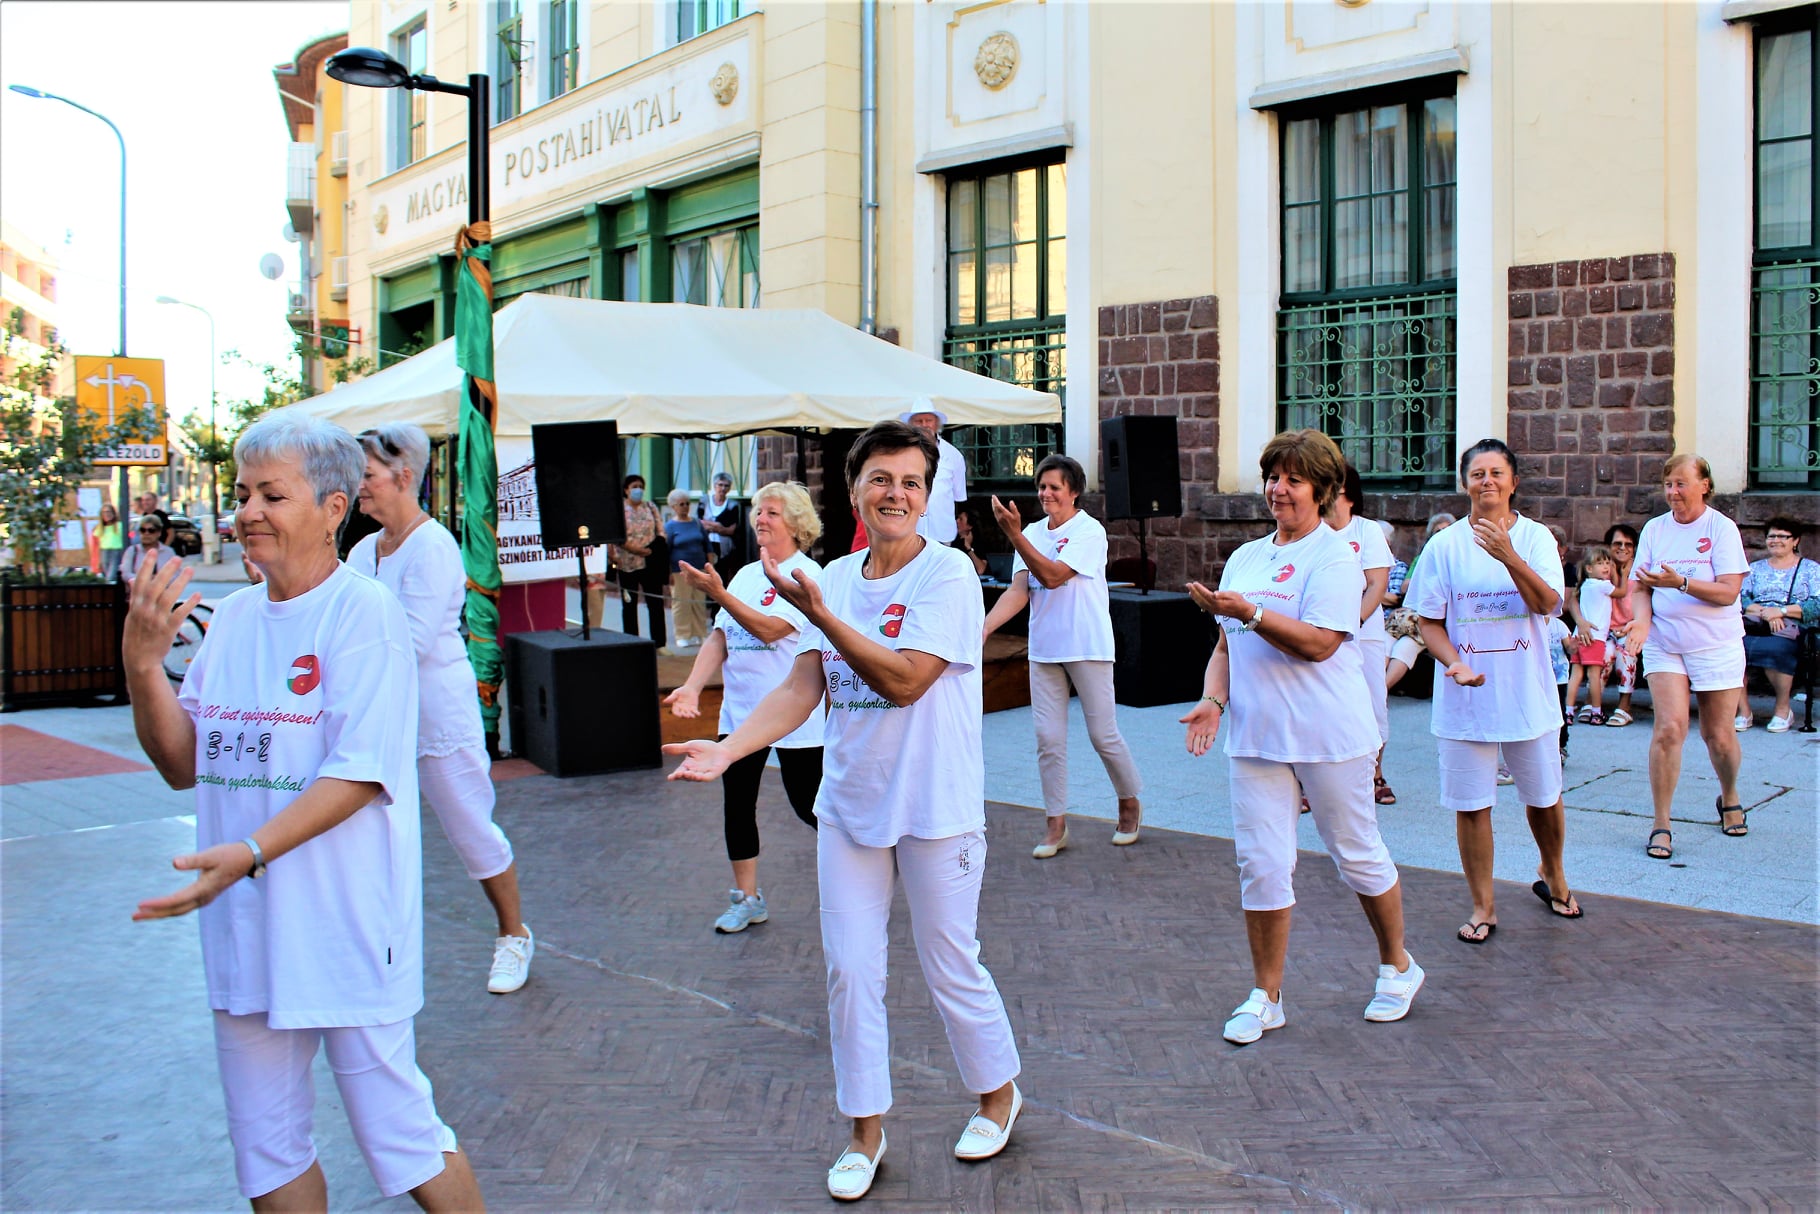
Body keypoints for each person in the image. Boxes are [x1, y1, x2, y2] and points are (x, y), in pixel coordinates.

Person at [120, 408, 483, 1210]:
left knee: (402, 1138)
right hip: (244, 929)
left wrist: (249, 850)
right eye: (242, 493)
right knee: (266, 1151)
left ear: (331, 508)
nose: (248, 512)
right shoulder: (235, 621)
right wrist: (144, 668)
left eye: (272, 495)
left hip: (342, 925)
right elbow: (181, 764)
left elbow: (358, 774)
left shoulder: (365, 615)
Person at [666, 421, 1021, 1202]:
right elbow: (803, 685)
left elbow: (906, 680)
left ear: (926, 496)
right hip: (851, 809)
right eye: (882, 479)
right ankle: (865, 1131)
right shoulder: (833, 575)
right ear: (855, 489)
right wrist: (730, 748)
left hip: (936, 808)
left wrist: (826, 619)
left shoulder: (948, 575)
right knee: (850, 972)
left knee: (949, 963)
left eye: (912, 482)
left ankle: (997, 1095)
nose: (897, 494)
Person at [1180, 429, 1421, 1045]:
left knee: (1355, 854)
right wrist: (1212, 701)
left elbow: (1320, 644)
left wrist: (1250, 613)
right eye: (1273, 477)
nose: (1278, 489)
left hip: (1330, 736)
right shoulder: (1245, 558)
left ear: (1323, 489)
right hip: (1257, 738)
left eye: (1293, 479)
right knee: (1261, 865)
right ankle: (1267, 996)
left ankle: (1397, 966)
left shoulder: (1335, 556)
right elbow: (1224, 648)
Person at [352, 422, 535, 995]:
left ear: (403, 476)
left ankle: (514, 935)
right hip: (376, 714)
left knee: (470, 827)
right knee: (367, 833)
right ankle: (373, 946)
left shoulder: (433, 546)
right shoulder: (361, 550)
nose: (358, 486)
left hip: (435, 713)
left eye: (367, 475)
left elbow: (409, 642)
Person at [1408, 437, 1582, 938]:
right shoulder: (1444, 546)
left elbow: (1547, 604)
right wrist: (1454, 663)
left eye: (1496, 473)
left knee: (1544, 796)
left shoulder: (1535, 538)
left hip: (1527, 691)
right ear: (1465, 483)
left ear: (1513, 482)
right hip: (1466, 697)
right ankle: (1483, 905)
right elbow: (1429, 620)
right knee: (1471, 804)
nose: (1487, 481)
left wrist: (1508, 555)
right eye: (1478, 473)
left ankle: (1553, 874)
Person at [666, 481, 826, 933]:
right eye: (759, 511)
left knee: (809, 806)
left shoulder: (807, 574)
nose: (761, 519)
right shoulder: (745, 574)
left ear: (795, 522)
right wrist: (692, 687)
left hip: (792, 717)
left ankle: (869, 862)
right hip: (739, 715)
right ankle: (747, 899)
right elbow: (720, 637)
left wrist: (720, 595)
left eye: (772, 512)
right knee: (737, 805)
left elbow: (770, 630)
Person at [983, 454, 1143, 856]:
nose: (1046, 493)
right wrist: (984, 628)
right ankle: (1055, 824)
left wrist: (1014, 536)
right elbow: (1019, 590)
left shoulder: (1089, 531)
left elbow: (1053, 577)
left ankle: (1129, 801)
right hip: (1044, 649)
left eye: (1055, 487)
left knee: (1103, 735)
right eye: (1041, 486)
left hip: (1086, 645)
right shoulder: (1031, 532)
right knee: (1047, 739)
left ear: (1074, 492)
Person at [1628, 454, 1750, 856]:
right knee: (1669, 728)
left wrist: (1681, 582)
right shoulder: (1655, 528)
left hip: (1716, 643)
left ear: (1704, 486)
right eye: (1668, 484)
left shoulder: (1721, 528)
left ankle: (1729, 795)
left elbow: (1728, 592)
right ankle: (1661, 823)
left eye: (1681, 483)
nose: (1673, 492)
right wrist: (1641, 623)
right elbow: (1640, 587)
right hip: (1665, 640)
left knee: (1718, 736)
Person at [1326, 464, 1399, 805]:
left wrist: (1350, 623)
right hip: (1317, 633)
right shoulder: (1311, 532)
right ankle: (1312, 780)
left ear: (1350, 496)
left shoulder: (1366, 531)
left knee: (1372, 704)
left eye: (1333, 489)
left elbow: (1377, 585)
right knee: (1321, 704)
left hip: (1363, 634)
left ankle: (1375, 773)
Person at [1735, 518, 1818, 734]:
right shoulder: (1755, 569)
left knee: (1777, 649)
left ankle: (1783, 709)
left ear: (1795, 540)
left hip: (1793, 627)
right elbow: (1740, 597)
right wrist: (1766, 613)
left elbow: (1817, 605)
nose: (1776, 540)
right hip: (1755, 623)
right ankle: (1743, 711)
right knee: (1732, 649)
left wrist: (1780, 612)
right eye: (1771, 536)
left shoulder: (1810, 569)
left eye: (1783, 536)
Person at [1383, 511, 1456, 691]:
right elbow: (1405, 587)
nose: (1442, 535)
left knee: (1405, 648)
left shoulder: (1458, 559)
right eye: (1437, 532)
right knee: (1385, 643)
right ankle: (1372, 691)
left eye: (1446, 530)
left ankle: (1380, 692)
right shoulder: (1422, 558)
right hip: (1411, 617)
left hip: (1433, 621)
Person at [610, 473, 667, 647]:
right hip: (626, 563)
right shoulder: (618, 510)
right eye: (634, 487)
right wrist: (633, 549)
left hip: (650, 562)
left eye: (641, 487)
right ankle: (632, 643)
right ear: (626, 490)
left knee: (655, 603)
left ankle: (659, 643)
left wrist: (651, 549)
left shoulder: (650, 507)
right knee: (629, 604)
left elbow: (661, 531)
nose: (638, 490)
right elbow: (615, 535)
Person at [1564, 546, 1617, 724]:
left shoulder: (1585, 585)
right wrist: (1620, 574)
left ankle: (1568, 711)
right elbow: (1622, 591)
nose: (1606, 567)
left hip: (1579, 635)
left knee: (1575, 675)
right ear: (1589, 568)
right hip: (1595, 637)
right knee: (1594, 675)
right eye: (1601, 563)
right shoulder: (1603, 585)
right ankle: (1596, 712)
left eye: (1608, 563)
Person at [903, 410, 968, 544]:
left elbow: (959, 495)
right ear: (911, 424)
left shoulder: (953, 455)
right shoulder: (901, 452)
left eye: (929, 420)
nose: (924, 425)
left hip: (942, 531)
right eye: (919, 421)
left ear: (937, 423)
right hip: (908, 530)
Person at [1600, 523, 1642, 727]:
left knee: (1626, 652)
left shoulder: (1640, 572)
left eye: (1628, 544)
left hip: (1631, 627)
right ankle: (1594, 704)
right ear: (1609, 546)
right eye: (1617, 543)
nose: (1623, 548)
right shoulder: (1600, 569)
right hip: (1604, 629)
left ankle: (1625, 706)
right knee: (1605, 653)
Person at [664, 488, 712, 652]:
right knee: (681, 602)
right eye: (681, 504)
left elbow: (707, 545)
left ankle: (700, 633)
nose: (685, 507)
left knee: (698, 602)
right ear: (673, 507)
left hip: (699, 567)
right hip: (679, 570)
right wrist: (668, 573)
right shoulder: (670, 526)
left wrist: (710, 566)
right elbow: (666, 551)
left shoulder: (696, 523)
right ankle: (683, 635)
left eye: (687, 503)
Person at [699, 471, 747, 579]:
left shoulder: (732, 505)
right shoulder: (705, 501)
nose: (723, 488)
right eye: (720, 485)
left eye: (726, 486)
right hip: (706, 543)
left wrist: (711, 526)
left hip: (723, 546)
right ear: (714, 485)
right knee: (705, 572)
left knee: (722, 574)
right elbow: (700, 523)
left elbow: (731, 530)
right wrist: (718, 526)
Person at [121, 512, 182, 583]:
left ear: (159, 533)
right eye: (143, 530)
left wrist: (159, 579)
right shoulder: (132, 551)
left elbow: (176, 575)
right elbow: (126, 574)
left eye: (151, 530)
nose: (146, 533)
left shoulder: (168, 552)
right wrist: (145, 579)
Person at [952, 508, 988, 576]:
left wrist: (968, 548)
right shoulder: (953, 542)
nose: (957, 521)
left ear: (969, 526)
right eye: (957, 518)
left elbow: (980, 570)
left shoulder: (978, 543)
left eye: (961, 519)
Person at [96, 502, 125, 582]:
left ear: (113, 513)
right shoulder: (100, 528)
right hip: (104, 552)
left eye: (108, 512)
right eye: (104, 512)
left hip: (116, 552)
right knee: (107, 574)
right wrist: (98, 561)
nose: (106, 514)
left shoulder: (119, 525)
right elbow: (98, 544)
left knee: (111, 576)